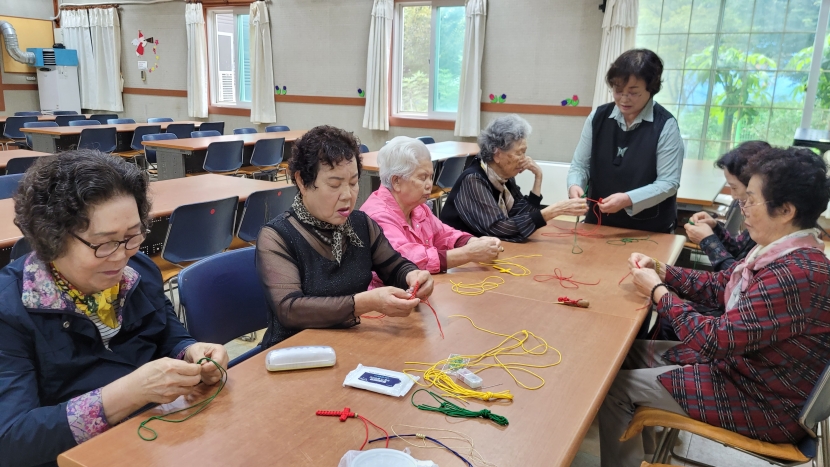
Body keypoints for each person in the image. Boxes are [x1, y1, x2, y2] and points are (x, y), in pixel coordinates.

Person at [599, 147, 830, 467]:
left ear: (785, 210)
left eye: (750, 200)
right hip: (747, 372)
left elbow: (713, 340)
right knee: (619, 356)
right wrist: (662, 270)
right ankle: (645, 455)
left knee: (613, 388)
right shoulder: (785, 252)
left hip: (762, 402)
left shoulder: (797, 274)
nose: (742, 208)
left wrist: (658, 292)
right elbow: (721, 285)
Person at [0, 150, 229, 467]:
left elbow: (168, 335)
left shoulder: (138, 272)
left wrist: (191, 352)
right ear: (51, 237)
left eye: (133, 236)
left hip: (153, 438)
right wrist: (131, 392)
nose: (122, 256)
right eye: (104, 243)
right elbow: (11, 440)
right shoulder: (11, 309)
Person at [256, 126, 433, 348]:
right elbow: (289, 310)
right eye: (334, 184)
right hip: (293, 352)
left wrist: (412, 276)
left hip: (348, 343)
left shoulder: (361, 224)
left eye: (353, 183)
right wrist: (362, 303)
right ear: (302, 181)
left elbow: (394, 267)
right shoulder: (277, 236)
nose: (348, 195)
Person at [567, 49, 684, 233]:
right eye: (618, 90)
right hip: (599, 224)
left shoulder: (665, 126)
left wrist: (628, 199)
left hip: (649, 229)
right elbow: (580, 165)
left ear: (651, 89)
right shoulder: (598, 117)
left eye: (633, 92)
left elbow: (668, 183)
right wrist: (575, 185)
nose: (623, 99)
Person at [362, 137, 502, 287]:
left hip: (416, 289)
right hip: (386, 294)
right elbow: (407, 260)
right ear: (396, 181)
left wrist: (473, 242)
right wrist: (469, 253)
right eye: (423, 178)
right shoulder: (377, 216)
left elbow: (443, 233)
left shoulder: (417, 206)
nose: (430, 184)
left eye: (431, 177)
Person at [440, 114, 587, 242]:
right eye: (519, 153)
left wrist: (538, 179)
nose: (524, 159)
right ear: (497, 154)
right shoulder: (474, 180)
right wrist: (553, 211)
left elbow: (520, 214)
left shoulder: (503, 176)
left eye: (525, 152)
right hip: (457, 251)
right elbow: (499, 228)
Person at [684, 141, 770, 272]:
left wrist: (708, 241)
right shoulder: (761, 220)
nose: (733, 196)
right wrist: (715, 228)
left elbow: (738, 278)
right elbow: (738, 248)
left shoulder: (771, 228)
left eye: (734, 187)